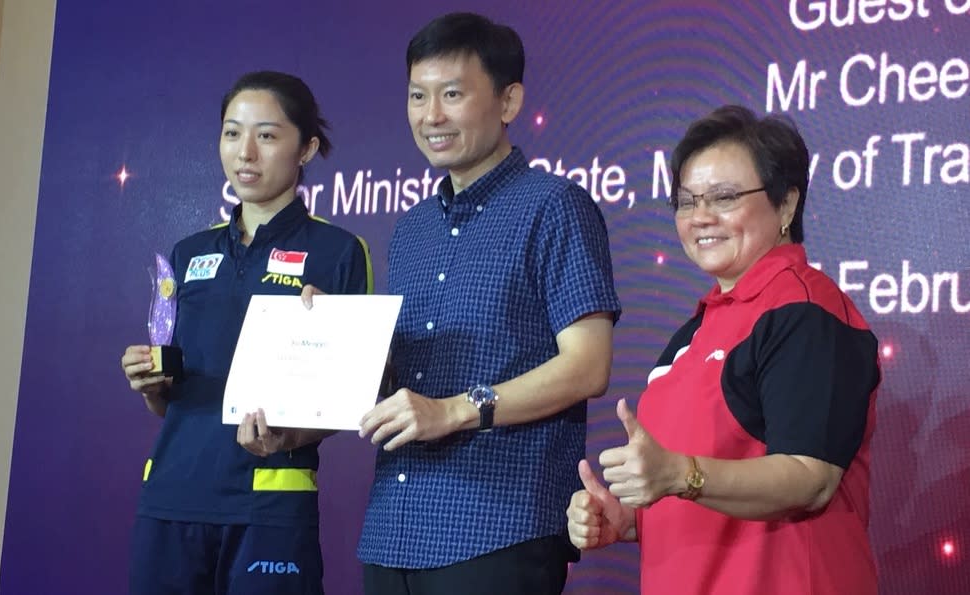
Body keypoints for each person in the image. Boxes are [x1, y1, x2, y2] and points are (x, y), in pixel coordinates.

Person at [354, 12, 621, 595]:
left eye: (452, 94)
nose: (431, 116)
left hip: (499, 528)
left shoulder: (555, 207)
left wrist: (454, 410)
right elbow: (405, 381)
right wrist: (339, 346)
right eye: (417, 96)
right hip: (393, 529)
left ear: (508, 101)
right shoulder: (412, 230)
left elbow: (588, 365)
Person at [566, 105, 880, 594]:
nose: (701, 217)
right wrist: (627, 519)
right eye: (687, 201)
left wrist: (678, 475)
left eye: (725, 197)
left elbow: (810, 477)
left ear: (786, 205)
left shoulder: (805, 308)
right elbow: (691, 490)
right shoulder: (692, 333)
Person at [120, 70, 372, 595]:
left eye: (267, 135)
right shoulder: (189, 253)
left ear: (307, 149)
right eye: (232, 133)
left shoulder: (340, 251)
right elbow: (174, 402)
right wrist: (150, 384)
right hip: (171, 497)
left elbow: (348, 400)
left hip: (270, 502)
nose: (245, 153)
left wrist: (288, 437)